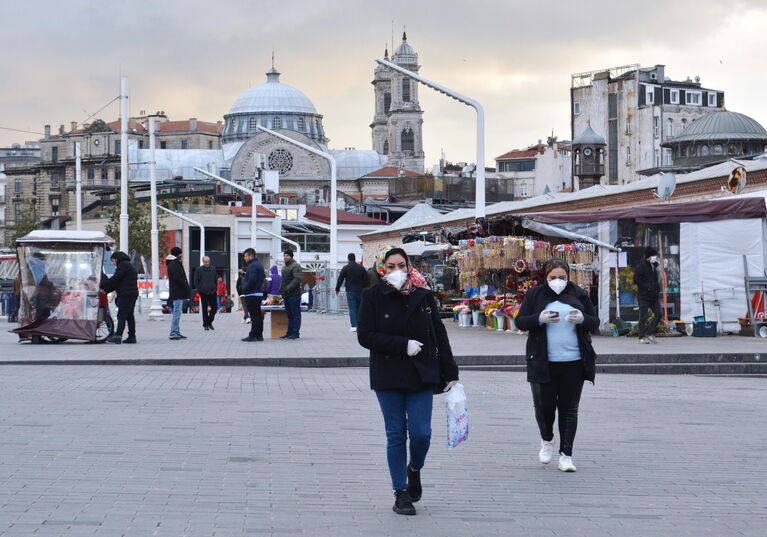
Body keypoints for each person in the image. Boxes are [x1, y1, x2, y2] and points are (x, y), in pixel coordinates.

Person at [357, 246, 459, 516]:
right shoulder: (373, 296)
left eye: (401, 265)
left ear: (409, 265)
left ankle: (414, 469)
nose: (396, 272)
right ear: (382, 269)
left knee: (422, 434)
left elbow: (439, 334)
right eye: (390, 267)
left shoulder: (424, 295)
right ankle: (400, 492)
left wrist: (451, 372)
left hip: (421, 373)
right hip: (388, 375)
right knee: (395, 434)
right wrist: (402, 345)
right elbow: (365, 336)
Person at [515, 258, 599, 473]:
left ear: (568, 277)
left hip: (574, 362)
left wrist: (582, 319)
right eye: (553, 278)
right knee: (544, 408)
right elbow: (520, 321)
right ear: (546, 277)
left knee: (569, 410)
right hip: (543, 361)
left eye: (562, 278)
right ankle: (547, 439)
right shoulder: (536, 294)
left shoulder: (579, 293)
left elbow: (594, 321)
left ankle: (566, 455)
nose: (558, 282)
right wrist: (538, 318)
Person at [100, 251, 138, 344]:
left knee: (122, 315)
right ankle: (132, 336)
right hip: (131, 293)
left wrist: (102, 285)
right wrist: (106, 290)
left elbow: (115, 279)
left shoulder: (123, 266)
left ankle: (118, 335)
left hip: (126, 294)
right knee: (129, 316)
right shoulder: (128, 265)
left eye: (112, 261)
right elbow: (118, 282)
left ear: (116, 259)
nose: (113, 263)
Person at [633, 246, 662, 344]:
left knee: (659, 314)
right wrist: (647, 286)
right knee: (643, 317)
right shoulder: (641, 267)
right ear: (648, 256)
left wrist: (658, 290)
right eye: (654, 256)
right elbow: (636, 280)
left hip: (654, 296)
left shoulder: (655, 266)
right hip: (644, 296)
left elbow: (656, 280)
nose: (655, 258)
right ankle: (641, 336)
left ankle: (650, 332)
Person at [336, 253, 367, 332]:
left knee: (352, 308)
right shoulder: (361, 267)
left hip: (350, 291)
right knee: (360, 308)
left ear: (348, 259)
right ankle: (360, 325)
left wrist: (337, 289)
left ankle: (354, 326)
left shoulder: (346, 268)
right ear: (354, 258)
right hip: (360, 291)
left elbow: (340, 279)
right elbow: (366, 279)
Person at [241, 248, 265, 342]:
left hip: (252, 294)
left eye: (246, 256)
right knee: (258, 315)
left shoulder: (252, 266)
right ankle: (259, 335)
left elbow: (252, 280)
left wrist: (245, 288)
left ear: (251, 256)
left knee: (254, 316)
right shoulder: (259, 264)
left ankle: (253, 335)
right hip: (257, 293)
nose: (244, 258)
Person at [166, 246, 191, 340]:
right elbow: (178, 278)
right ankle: (174, 332)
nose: (181, 255)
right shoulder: (174, 264)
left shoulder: (174, 263)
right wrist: (185, 286)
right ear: (177, 254)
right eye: (180, 254)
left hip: (177, 291)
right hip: (177, 291)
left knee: (178, 311)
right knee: (177, 311)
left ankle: (176, 331)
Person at [279, 250, 303, 339]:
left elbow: (297, 280)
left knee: (295, 314)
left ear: (291, 257)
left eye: (287, 256)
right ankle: (289, 332)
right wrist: (281, 289)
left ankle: (295, 333)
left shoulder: (295, 266)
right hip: (286, 294)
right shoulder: (284, 267)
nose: (285, 257)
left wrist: (287, 288)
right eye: (284, 255)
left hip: (294, 294)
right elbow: (283, 280)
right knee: (289, 315)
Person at [194, 255, 218, 331]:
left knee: (214, 308)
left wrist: (215, 288)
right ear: (203, 262)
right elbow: (196, 281)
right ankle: (206, 325)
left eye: (208, 261)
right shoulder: (199, 270)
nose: (207, 263)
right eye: (206, 262)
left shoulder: (213, 269)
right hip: (203, 292)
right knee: (204, 309)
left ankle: (209, 322)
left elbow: (215, 279)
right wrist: (199, 290)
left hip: (212, 291)